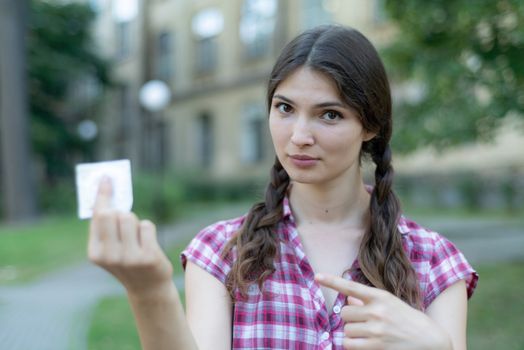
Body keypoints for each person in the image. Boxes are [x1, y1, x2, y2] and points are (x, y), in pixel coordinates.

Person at [88, 25, 478, 350]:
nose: (300, 136)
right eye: (285, 108)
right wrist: (149, 291)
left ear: (371, 126)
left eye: (329, 114)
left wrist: (434, 345)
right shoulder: (222, 252)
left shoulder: (433, 260)